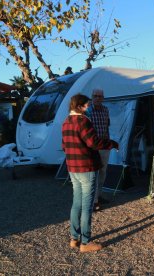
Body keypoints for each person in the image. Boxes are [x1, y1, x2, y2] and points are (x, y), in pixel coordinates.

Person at [62, 93, 118, 253]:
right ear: (79, 106)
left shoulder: (66, 122)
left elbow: (64, 145)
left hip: (72, 167)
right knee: (87, 206)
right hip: (86, 167)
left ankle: (74, 238)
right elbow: (93, 142)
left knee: (77, 203)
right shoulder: (83, 121)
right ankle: (85, 243)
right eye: (86, 105)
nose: (88, 107)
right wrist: (112, 143)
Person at [85, 88, 111, 211]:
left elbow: (107, 127)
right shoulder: (88, 111)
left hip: (104, 145)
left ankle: (99, 196)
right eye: (95, 96)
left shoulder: (106, 110)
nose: (97, 98)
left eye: (100, 96)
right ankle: (94, 201)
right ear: (92, 97)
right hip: (93, 147)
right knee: (94, 174)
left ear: (103, 98)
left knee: (103, 172)